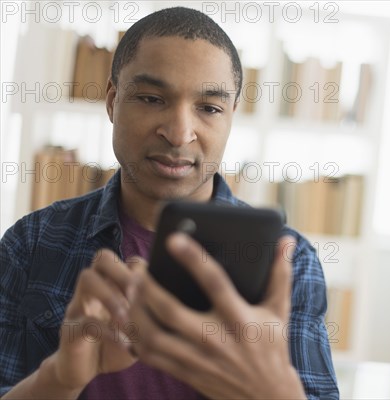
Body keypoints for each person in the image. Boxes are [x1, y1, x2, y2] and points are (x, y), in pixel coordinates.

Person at [0, 7, 338, 399]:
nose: (179, 133)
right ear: (112, 101)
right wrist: (58, 378)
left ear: (231, 116)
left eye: (209, 107)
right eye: (150, 98)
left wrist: (272, 391)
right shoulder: (31, 243)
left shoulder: (288, 261)